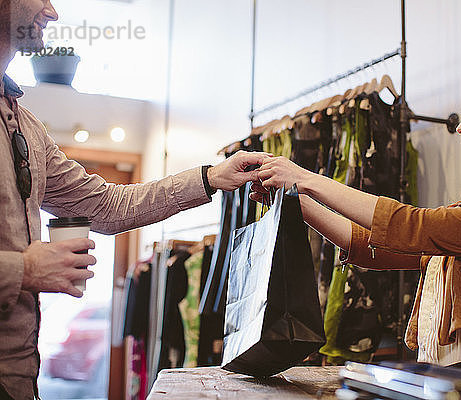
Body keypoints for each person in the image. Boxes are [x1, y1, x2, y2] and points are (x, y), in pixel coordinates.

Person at [0, 1, 270, 398]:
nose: (52, 12)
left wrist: (211, 178)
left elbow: (107, 206)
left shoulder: (26, 126)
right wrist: (22, 269)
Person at [253, 71, 461, 391]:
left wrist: (306, 179)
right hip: (444, 378)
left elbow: (415, 226)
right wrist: (296, 201)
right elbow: (371, 246)